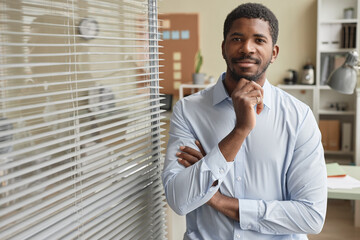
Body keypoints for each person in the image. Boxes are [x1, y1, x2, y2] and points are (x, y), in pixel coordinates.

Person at [162, 3, 327, 240]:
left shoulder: (298, 116)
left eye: (259, 40)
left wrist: (216, 198)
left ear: (274, 52)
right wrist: (240, 130)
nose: (247, 48)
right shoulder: (189, 111)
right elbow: (179, 200)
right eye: (237, 38)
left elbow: (311, 216)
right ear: (223, 47)